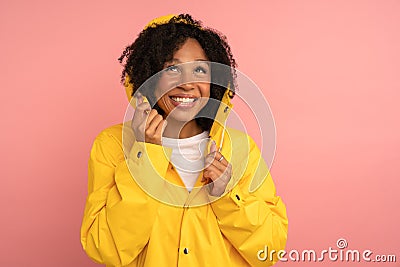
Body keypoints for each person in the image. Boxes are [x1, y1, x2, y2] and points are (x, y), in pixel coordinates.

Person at [81, 14, 288, 267]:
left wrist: (226, 195)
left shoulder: (241, 148)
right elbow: (105, 249)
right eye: (172, 69)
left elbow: (270, 250)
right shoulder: (111, 145)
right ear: (149, 78)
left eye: (199, 69)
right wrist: (146, 156)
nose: (188, 84)